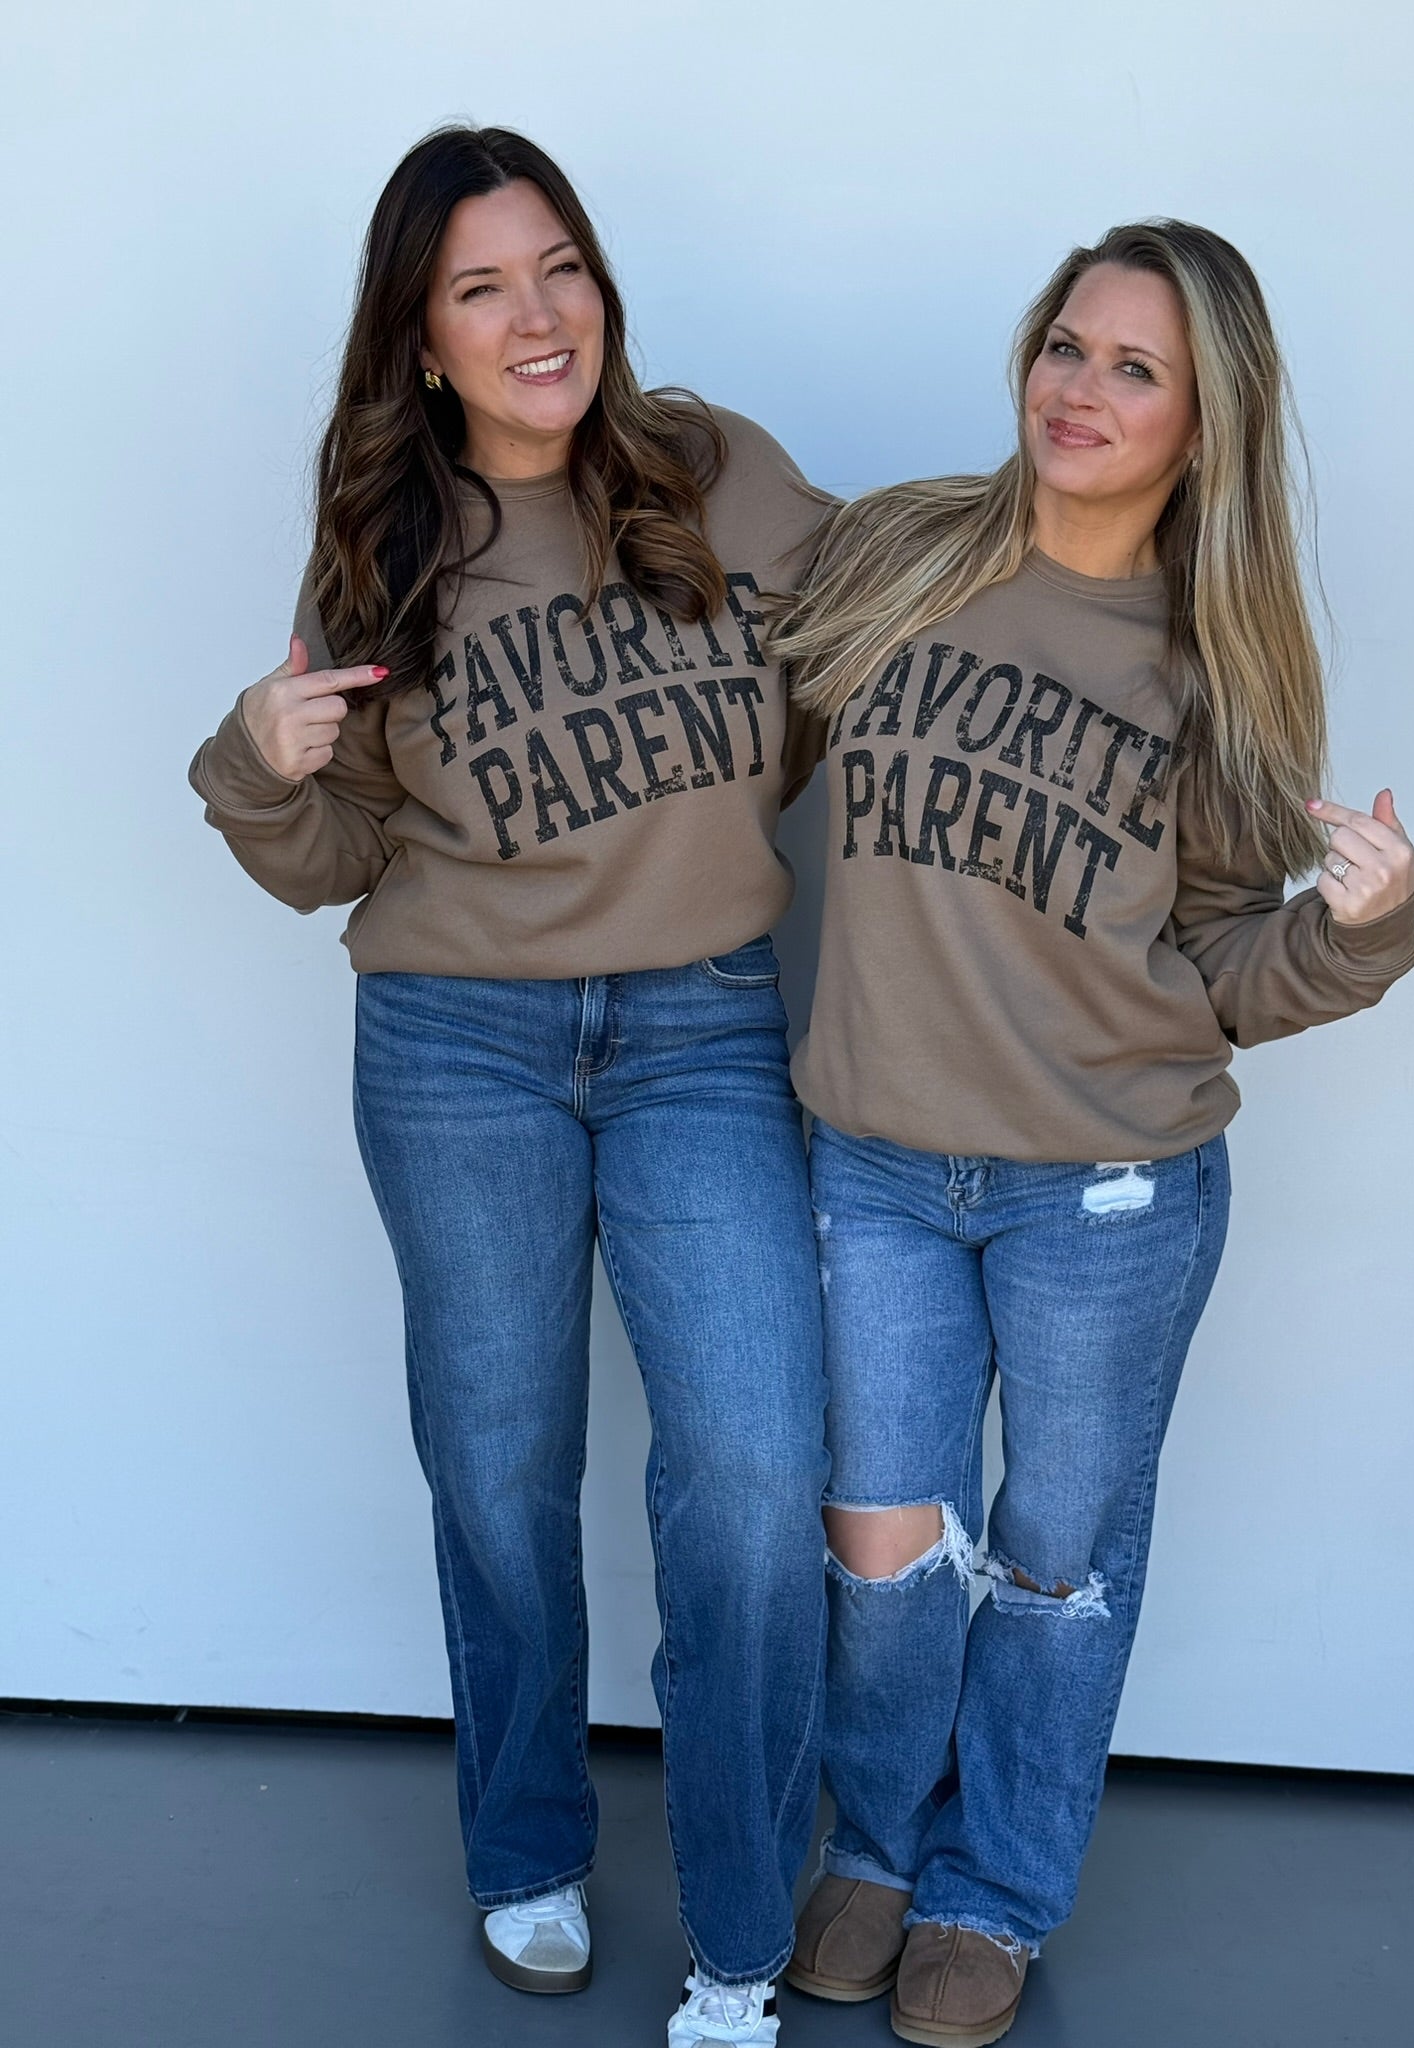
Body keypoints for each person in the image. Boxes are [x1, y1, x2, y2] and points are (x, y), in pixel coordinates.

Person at [189, 126, 832, 2048]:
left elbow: (862, 660)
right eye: (480, 287)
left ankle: (744, 1917)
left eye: (559, 266)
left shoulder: (719, 471)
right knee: (498, 1465)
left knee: (752, 1475)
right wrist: (255, 763)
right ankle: (527, 1843)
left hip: (706, 1025)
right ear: (423, 335)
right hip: (457, 1042)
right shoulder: (383, 548)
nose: (537, 315)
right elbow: (338, 858)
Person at [774, 221, 1414, 2048]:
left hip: (1109, 1192)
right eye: (1068, 344)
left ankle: (993, 1891)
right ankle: (877, 1848)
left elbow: (1214, 960)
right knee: (883, 1555)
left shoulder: (1220, 663)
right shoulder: (902, 551)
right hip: (876, 1165)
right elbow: (729, 693)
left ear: (1207, 422)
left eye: (1138, 369)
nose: (1081, 389)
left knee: (1057, 1566)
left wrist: (1358, 935)